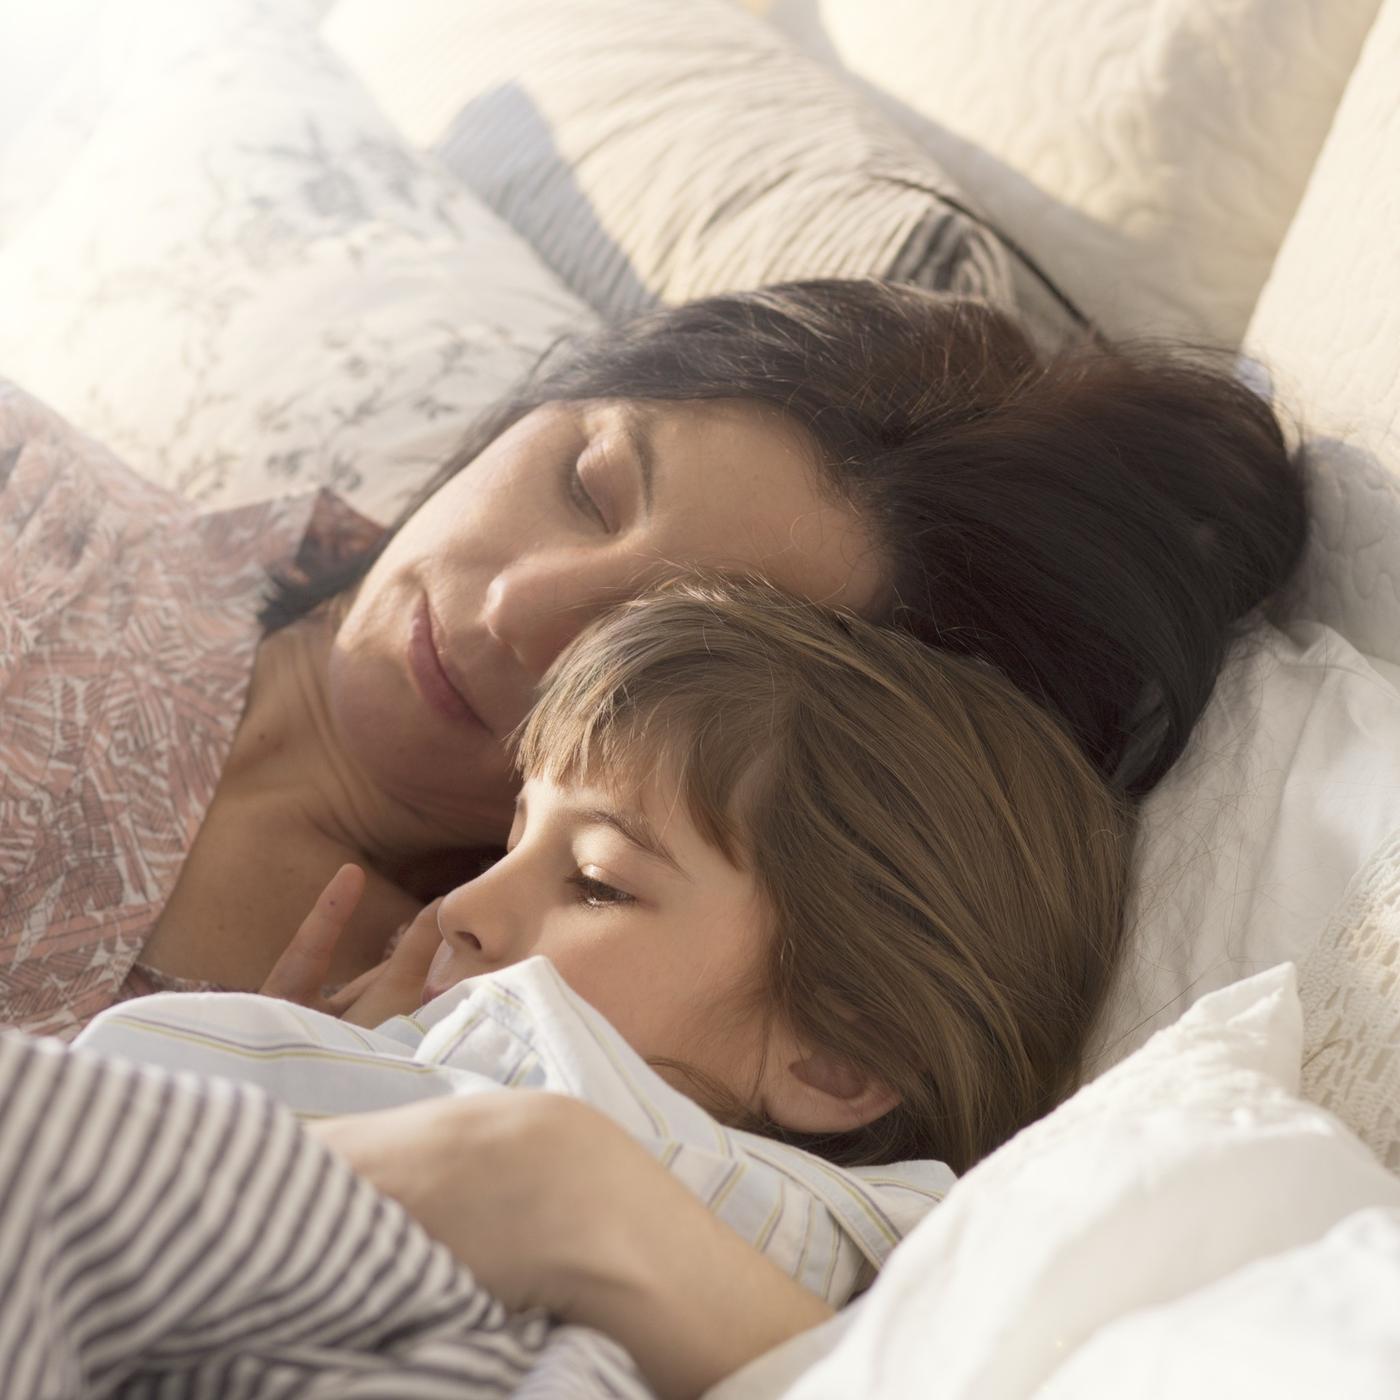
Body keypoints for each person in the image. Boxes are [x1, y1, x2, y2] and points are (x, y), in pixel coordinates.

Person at [72, 574, 1130, 1396]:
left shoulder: (763, 1215)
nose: (457, 908)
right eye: (512, 832)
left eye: (594, 882)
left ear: (836, 1055)